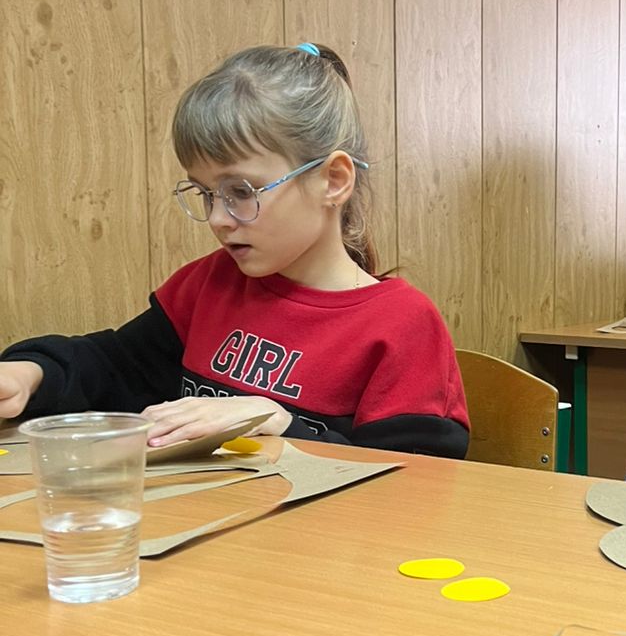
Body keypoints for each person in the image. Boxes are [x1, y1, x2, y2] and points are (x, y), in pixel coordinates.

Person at [0, 43, 469, 457]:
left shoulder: (403, 326)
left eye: (241, 191)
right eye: (205, 194)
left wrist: (280, 422)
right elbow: (115, 365)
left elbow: (419, 484)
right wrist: (31, 375)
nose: (218, 219)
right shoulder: (211, 283)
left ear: (333, 180)